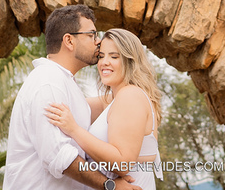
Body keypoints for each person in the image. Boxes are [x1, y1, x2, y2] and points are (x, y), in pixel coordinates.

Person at [3, 5, 136, 190]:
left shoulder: (65, 84)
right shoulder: (48, 81)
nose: (98, 41)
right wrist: (109, 185)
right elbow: (58, 156)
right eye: (91, 35)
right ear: (69, 41)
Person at [44, 28, 163, 190]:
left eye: (114, 56)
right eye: (101, 56)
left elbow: (122, 164)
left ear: (130, 60)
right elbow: (73, 103)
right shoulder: (113, 100)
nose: (104, 62)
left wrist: (74, 130)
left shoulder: (130, 96)